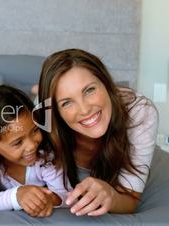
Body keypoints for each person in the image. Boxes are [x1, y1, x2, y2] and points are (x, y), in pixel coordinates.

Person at [36, 48, 158, 216]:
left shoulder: (140, 111)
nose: (85, 110)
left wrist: (112, 196)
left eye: (89, 90)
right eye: (66, 103)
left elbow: (131, 200)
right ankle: (36, 91)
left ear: (107, 84)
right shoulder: (42, 124)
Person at [0, 85, 68, 217]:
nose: (31, 146)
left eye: (35, 130)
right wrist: (18, 196)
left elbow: (67, 196)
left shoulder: (45, 156)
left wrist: (52, 199)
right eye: (18, 142)